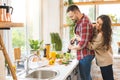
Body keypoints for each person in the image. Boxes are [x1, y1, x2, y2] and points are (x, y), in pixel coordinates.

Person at [67, 5, 95, 80]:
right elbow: (80, 35)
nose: (71, 18)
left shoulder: (84, 23)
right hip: (83, 54)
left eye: (71, 16)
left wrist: (71, 47)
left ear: (76, 12)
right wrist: (75, 37)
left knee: (85, 78)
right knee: (85, 76)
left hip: (85, 54)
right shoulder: (80, 21)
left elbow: (83, 44)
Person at [87, 15, 114, 80]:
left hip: (105, 61)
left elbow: (92, 46)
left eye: (100, 24)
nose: (97, 25)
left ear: (104, 26)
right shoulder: (105, 32)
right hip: (107, 59)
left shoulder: (101, 35)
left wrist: (83, 40)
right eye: (97, 22)